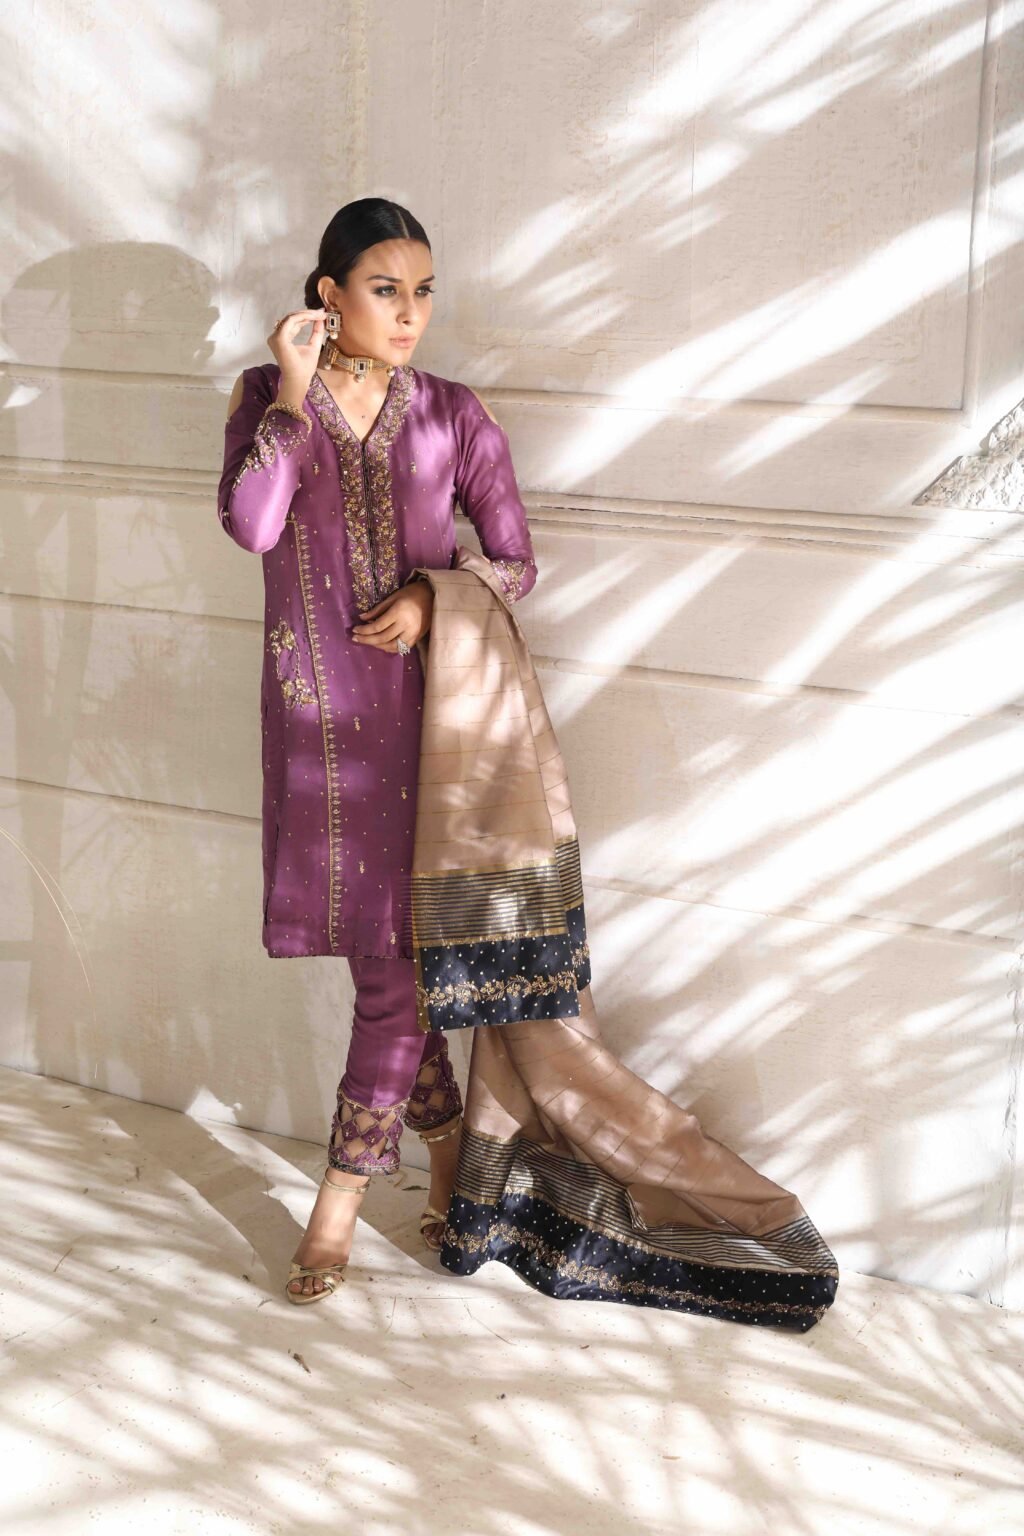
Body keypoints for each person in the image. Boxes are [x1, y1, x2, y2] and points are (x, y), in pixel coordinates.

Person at [216, 197, 538, 1301]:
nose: (411, 314)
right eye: (386, 290)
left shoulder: (451, 413)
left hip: (424, 727)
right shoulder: (266, 400)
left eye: (424, 292)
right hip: (314, 725)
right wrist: (293, 389)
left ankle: (338, 1203)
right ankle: (445, 1158)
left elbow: (516, 561)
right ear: (329, 295)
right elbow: (254, 526)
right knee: (379, 957)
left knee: (394, 974)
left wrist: (433, 596)